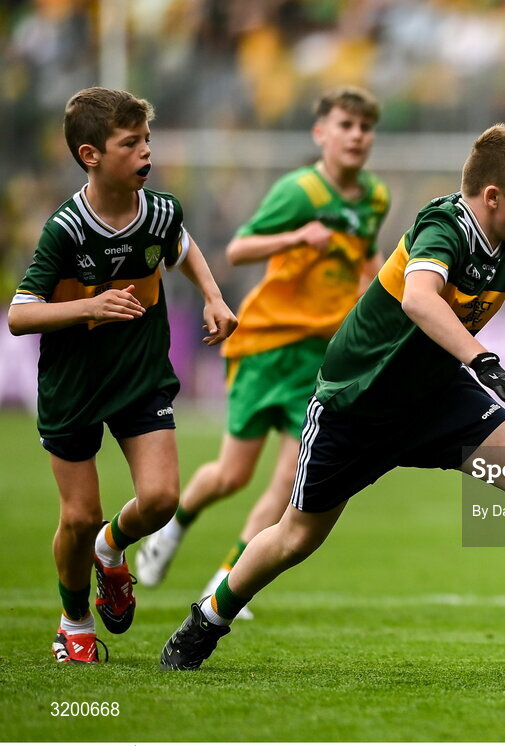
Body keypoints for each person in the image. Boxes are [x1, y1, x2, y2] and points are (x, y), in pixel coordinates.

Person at [159, 123, 505, 674]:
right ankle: (208, 618)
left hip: (437, 393)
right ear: (493, 197)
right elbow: (420, 300)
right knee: (298, 536)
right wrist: (483, 360)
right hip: (359, 401)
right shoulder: (444, 224)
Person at [135, 87, 390, 617]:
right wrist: (297, 236)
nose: (357, 136)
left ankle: (226, 578)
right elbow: (239, 247)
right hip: (267, 346)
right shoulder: (299, 191)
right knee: (232, 475)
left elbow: (366, 255)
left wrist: (379, 284)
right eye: (346, 125)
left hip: (323, 358)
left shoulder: (375, 197)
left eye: (365, 127)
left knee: (291, 479)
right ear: (321, 133)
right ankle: (172, 528)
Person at [7, 87, 237, 664]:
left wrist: (211, 296)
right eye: (130, 143)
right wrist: (90, 306)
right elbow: (19, 314)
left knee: (160, 499)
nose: (145, 153)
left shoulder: (160, 211)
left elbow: (181, 247)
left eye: (147, 141)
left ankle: (113, 550)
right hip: (73, 386)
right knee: (78, 516)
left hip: (140, 375)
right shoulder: (66, 231)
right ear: (91, 154)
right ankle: (73, 621)